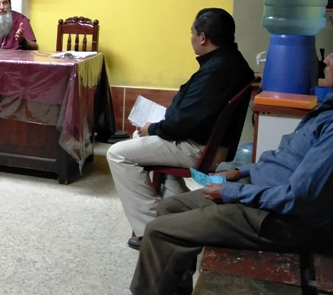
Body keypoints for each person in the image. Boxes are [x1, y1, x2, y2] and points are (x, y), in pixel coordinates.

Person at [131, 52, 333, 295]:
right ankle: (174, 288)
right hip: (260, 188)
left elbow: (299, 198)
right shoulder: (326, 109)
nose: (327, 60)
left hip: (278, 218)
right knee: (169, 207)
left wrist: (231, 192)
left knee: (158, 231)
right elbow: (284, 162)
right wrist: (240, 172)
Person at [107, 8, 254, 250]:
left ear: (203, 38)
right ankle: (176, 217)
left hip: (197, 147)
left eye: (192, 32)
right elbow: (191, 115)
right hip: (208, 143)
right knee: (139, 141)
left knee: (118, 154)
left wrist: (153, 128)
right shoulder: (232, 62)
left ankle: (153, 229)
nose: (191, 37)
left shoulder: (215, 71)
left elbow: (180, 124)